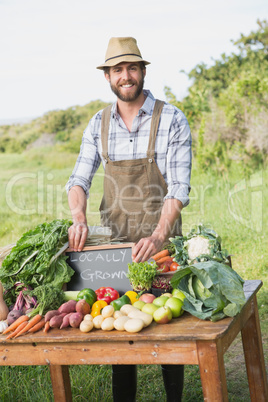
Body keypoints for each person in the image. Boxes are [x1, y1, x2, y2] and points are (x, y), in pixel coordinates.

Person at [66, 37, 192, 402]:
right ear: (107, 76)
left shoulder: (171, 119)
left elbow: (179, 188)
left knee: (169, 329)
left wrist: (157, 237)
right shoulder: (98, 124)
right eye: (118, 69)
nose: (126, 76)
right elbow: (78, 180)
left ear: (143, 71)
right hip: (114, 245)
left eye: (132, 68)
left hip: (162, 243)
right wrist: (79, 217)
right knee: (119, 329)